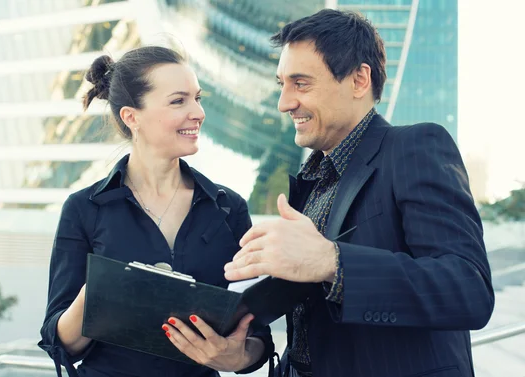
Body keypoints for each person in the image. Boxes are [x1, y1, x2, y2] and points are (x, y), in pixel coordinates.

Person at [224, 9, 494, 377]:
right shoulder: (311, 184)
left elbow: (468, 289)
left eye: (301, 83)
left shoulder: (415, 148)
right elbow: (313, 336)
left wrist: (333, 263)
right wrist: (238, 352)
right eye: (281, 84)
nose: (284, 102)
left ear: (359, 79)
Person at [38, 46, 274, 377]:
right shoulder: (83, 209)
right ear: (132, 117)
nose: (198, 112)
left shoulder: (228, 208)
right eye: (179, 101)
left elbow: (256, 334)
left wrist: (236, 358)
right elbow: (59, 344)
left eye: (198, 98)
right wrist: (98, 292)